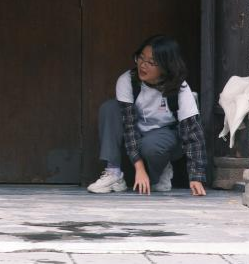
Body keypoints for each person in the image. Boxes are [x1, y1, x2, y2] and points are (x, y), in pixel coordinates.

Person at [87, 35, 207, 196]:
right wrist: (139, 168)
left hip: (165, 138)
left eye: (151, 62)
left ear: (166, 66)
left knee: (152, 145)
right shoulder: (127, 80)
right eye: (141, 58)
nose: (143, 65)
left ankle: (159, 173)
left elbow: (193, 133)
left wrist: (196, 176)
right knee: (110, 108)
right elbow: (129, 127)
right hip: (136, 133)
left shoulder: (180, 88)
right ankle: (114, 172)